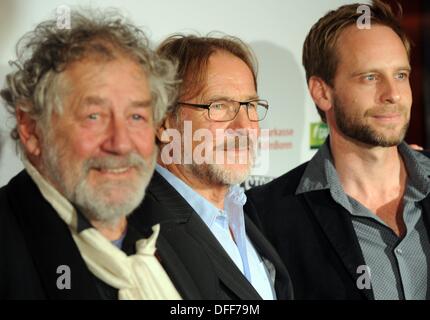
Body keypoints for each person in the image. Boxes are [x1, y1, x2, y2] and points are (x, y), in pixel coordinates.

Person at [0, 10, 199, 299]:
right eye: (93, 116)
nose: (120, 143)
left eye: (136, 117)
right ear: (31, 129)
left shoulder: (180, 238)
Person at [246, 0, 430, 300]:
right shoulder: (268, 216)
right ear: (322, 92)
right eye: (370, 77)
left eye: (400, 75)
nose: (393, 94)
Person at [129, 34, 293, 300]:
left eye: (250, 105)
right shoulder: (138, 231)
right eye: (218, 106)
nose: (244, 127)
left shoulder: (247, 214)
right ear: (163, 122)